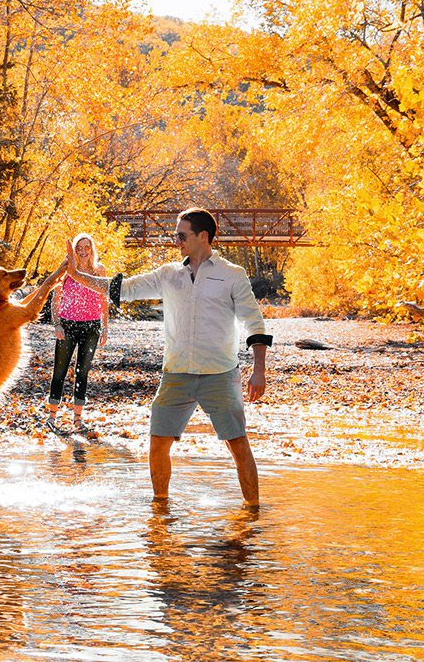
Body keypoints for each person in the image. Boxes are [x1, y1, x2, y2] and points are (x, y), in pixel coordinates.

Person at [64, 208, 271, 507]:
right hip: (175, 375)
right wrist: (77, 276)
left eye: (182, 235)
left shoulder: (231, 275)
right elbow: (123, 288)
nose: (177, 242)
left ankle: (253, 514)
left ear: (203, 236)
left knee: (237, 444)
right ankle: (160, 513)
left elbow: (255, 323)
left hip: (220, 375)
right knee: (158, 443)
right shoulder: (169, 274)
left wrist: (259, 371)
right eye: (176, 236)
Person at [46, 234, 109, 433]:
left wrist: (105, 327)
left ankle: (77, 418)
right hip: (68, 326)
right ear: (74, 250)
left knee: (83, 372)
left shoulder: (99, 270)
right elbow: (55, 300)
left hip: (91, 328)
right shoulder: (66, 270)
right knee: (60, 371)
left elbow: (104, 301)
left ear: (92, 249)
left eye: (87, 247)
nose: (83, 251)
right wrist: (57, 324)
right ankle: (52, 416)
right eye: (79, 247)